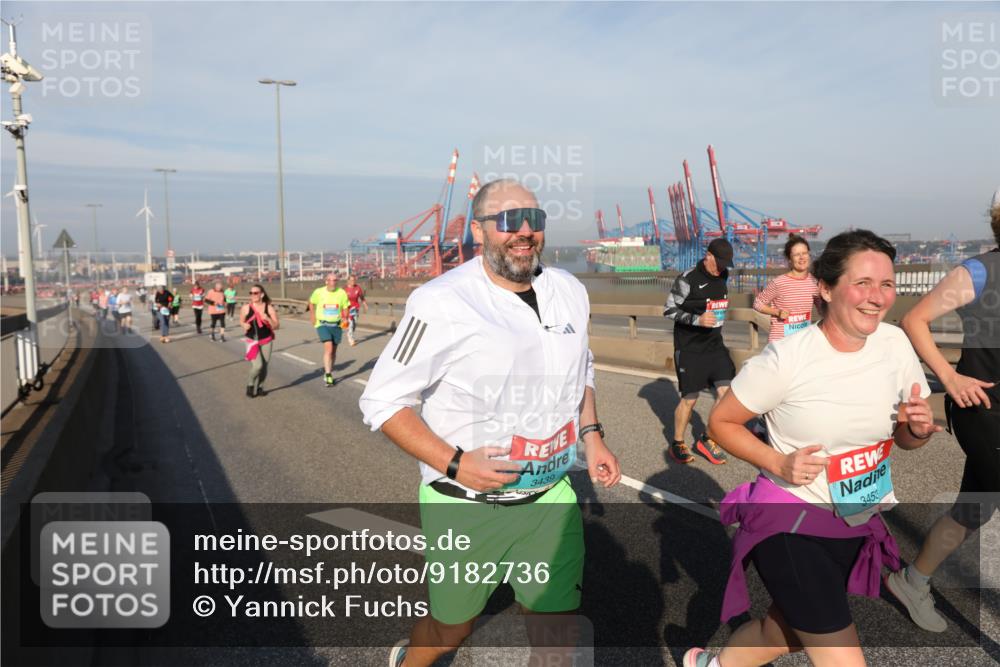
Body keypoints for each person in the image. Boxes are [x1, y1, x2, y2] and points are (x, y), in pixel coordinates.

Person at [359, 179, 621, 667]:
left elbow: (579, 368)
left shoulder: (568, 289)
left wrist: (592, 434)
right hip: (466, 504)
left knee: (557, 640)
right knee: (450, 629)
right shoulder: (440, 302)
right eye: (508, 221)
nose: (524, 232)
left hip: (549, 499)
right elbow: (382, 400)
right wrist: (455, 463)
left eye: (534, 220)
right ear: (479, 230)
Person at [683, 230, 942, 667]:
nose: (876, 297)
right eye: (861, 283)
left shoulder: (894, 344)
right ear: (825, 287)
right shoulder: (789, 358)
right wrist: (776, 461)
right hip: (790, 520)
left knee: (783, 633)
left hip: (853, 521)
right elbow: (721, 422)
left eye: (886, 284)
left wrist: (916, 430)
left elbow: (903, 439)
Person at [887, 187, 1000, 633]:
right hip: (984, 410)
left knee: (973, 509)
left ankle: (911, 581)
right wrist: (950, 378)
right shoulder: (980, 270)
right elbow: (914, 320)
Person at [663, 238, 736, 465]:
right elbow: (668, 310)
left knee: (727, 395)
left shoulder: (723, 275)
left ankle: (707, 438)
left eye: (726, 263)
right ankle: (678, 443)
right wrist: (697, 319)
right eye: (719, 261)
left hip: (715, 346)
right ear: (708, 255)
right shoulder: (688, 279)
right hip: (690, 348)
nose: (722, 267)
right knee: (690, 399)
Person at [753, 233, 820, 343]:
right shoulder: (779, 282)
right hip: (781, 343)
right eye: (797, 255)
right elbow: (757, 303)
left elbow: (822, 310)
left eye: (804, 253)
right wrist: (777, 312)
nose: (802, 257)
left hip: (803, 342)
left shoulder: (814, 282)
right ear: (789, 259)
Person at [308, 273, 350, 387]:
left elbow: (346, 307)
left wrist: (346, 317)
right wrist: (312, 315)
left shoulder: (341, 293)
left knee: (333, 352)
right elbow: (311, 302)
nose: (332, 282)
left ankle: (329, 371)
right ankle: (328, 375)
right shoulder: (319, 292)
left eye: (335, 280)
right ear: (326, 281)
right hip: (322, 324)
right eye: (330, 280)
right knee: (329, 348)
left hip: (336, 325)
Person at [240, 283, 279, 398]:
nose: (253, 295)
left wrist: (268, 319)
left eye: (255, 293)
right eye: (251, 293)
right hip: (251, 341)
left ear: (261, 295)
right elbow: (241, 321)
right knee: (258, 366)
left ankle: (260, 387)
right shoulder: (246, 308)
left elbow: (276, 325)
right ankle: (250, 385)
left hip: (266, 340)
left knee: (264, 366)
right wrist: (244, 325)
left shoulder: (269, 308)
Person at [344, 274, 368, 346]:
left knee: (354, 324)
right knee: (350, 324)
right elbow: (340, 299)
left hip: (355, 308)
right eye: (351, 280)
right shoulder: (344, 289)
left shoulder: (358, 288)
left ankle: (350, 333)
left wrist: (365, 304)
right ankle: (351, 339)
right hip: (347, 308)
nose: (353, 281)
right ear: (348, 281)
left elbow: (362, 297)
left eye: (354, 280)